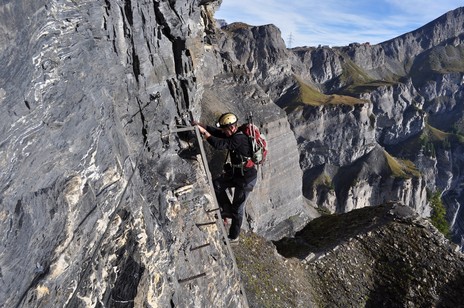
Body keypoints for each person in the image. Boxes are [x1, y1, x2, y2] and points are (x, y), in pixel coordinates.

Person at [194, 112, 257, 243]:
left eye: (225, 129)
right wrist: (203, 126)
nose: (223, 131)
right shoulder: (233, 133)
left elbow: (219, 145)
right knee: (216, 184)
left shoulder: (239, 139)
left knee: (238, 210)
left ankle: (234, 237)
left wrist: (204, 133)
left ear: (232, 128)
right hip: (237, 174)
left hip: (246, 180)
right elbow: (218, 133)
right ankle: (226, 210)